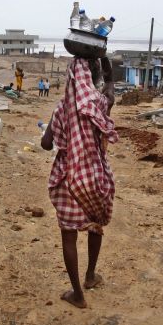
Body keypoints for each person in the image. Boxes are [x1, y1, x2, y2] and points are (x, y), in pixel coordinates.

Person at [41, 56, 117, 309]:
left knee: (68, 236)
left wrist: (59, 133)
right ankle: (90, 276)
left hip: (67, 178)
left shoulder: (61, 108)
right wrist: (109, 72)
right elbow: (110, 91)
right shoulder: (98, 104)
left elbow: (45, 143)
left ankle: (77, 294)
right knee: (95, 225)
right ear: (92, 79)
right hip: (94, 174)